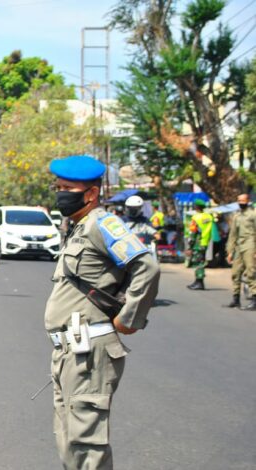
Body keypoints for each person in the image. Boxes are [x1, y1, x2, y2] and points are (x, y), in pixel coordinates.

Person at [45, 155, 160, 470]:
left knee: (86, 444)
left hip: (89, 350)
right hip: (69, 350)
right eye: (58, 187)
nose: (60, 193)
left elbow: (146, 265)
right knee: (68, 439)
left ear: (91, 194)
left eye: (67, 188)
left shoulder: (102, 222)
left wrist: (129, 318)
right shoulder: (80, 226)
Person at [225, 193, 256, 310]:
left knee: (251, 272)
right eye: (239, 201)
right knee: (235, 273)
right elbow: (232, 235)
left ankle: (254, 298)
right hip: (239, 246)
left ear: (248, 201)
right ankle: (236, 298)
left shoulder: (253, 215)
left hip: (250, 244)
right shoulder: (237, 216)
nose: (240, 203)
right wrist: (230, 251)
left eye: (243, 201)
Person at [187, 199, 213, 290]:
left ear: (196, 207)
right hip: (205, 242)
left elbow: (193, 232)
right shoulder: (209, 216)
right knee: (201, 261)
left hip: (198, 242)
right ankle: (197, 281)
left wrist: (190, 246)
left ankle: (199, 282)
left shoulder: (196, 217)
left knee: (198, 262)